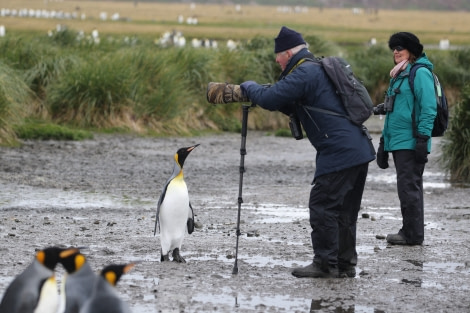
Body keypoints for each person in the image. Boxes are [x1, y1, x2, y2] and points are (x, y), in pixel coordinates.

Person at [240, 26, 376, 278]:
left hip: (340, 153)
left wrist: (248, 86)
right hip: (358, 149)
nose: (277, 61)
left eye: (278, 56)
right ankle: (345, 265)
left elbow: (270, 99)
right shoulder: (317, 68)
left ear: (289, 52)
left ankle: (324, 264)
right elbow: (290, 102)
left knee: (322, 205)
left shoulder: (304, 72)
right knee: (344, 211)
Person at [374, 32, 436, 245]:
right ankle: (410, 231)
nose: (396, 51)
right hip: (399, 141)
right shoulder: (398, 76)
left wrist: (422, 139)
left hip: (411, 142)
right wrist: (384, 144)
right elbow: (393, 113)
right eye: (394, 48)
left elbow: (429, 109)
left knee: (409, 188)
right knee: (407, 187)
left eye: (401, 47)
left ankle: (412, 234)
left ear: (412, 51)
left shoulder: (419, 74)